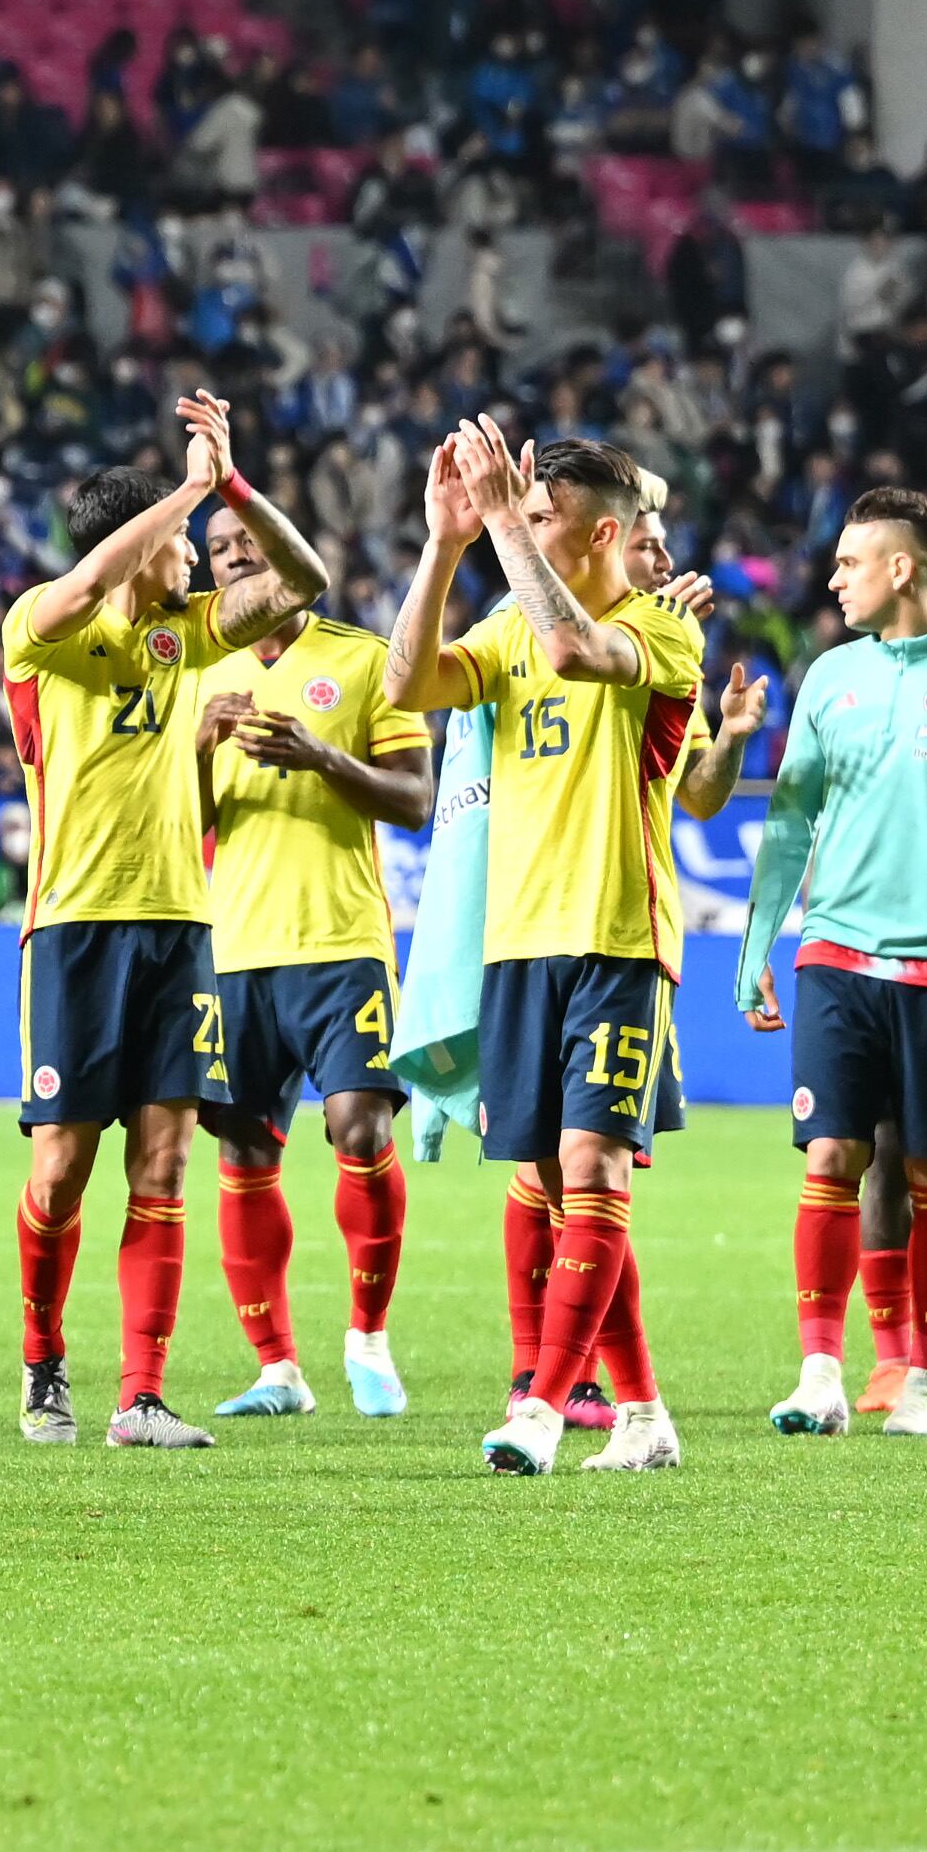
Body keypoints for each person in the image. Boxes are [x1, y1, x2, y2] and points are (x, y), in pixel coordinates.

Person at [1, 394, 327, 1450]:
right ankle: (42, 1365)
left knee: (164, 1162)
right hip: (76, 925)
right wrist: (181, 489)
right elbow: (86, 585)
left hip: (181, 926)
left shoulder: (185, 634)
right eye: (184, 541)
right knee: (60, 1164)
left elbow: (305, 582)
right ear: (135, 543)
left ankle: (139, 1394)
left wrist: (232, 486)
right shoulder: (38, 627)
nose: (195, 558)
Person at [384, 427, 703, 1478]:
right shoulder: (506, 626)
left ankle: (543, 1402)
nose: (517, 528)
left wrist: (494, 530)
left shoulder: (658, 631)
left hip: (617, 935)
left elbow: (574, 650)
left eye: (539, 514)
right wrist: (443, 542)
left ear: (603, 532)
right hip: (516, 942)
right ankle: (646, 1413)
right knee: (558, 1187)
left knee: (591, 1165)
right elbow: (406, 685)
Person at [738, 490, 927, 1441]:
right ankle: (821, 1374)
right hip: (833, 955)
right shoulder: (831, 678)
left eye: (850, 561)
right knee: (830, 1155)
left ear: (903, 567)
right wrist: (761, 945)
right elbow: (791, 820)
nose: (832, 577)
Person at [187, 503, 432, 1421]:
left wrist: (320, 754)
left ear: (290, 558)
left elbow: (414, 798)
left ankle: (367, 1335)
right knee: (246, 1150)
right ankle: (276, 1366)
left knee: (361, 1130)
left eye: (251, 546)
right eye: (221, 551)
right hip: (236, 950)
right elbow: (182, 826)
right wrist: (202, 749)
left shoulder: (366, 660)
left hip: (342, 943)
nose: (238, 560)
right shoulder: (196, 671)